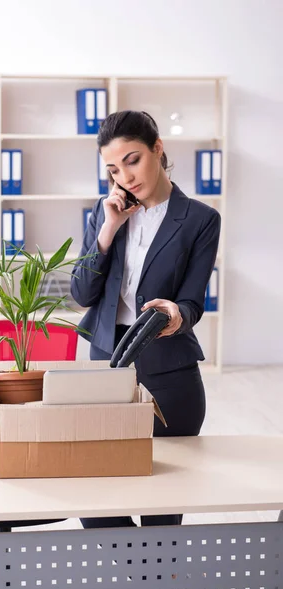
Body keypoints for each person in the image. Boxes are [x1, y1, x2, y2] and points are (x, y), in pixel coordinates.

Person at [71, 110, 221, 529]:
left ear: (158, 148)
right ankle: (143, 584)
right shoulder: (105, 213)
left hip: (169, 372)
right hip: (106, 367)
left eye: (133, 160)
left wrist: (176, 315)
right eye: (114, 168)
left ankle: (155, 587)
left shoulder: (200, 220)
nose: (126, 176)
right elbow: (82, 294)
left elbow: (192, 301)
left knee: (162, 515)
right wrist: (108, 229)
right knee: (95, 499)